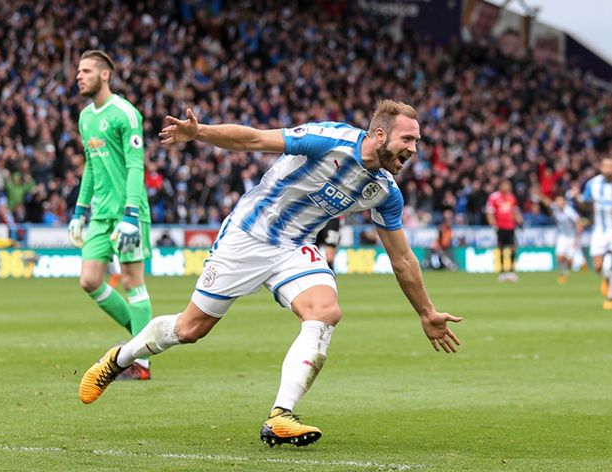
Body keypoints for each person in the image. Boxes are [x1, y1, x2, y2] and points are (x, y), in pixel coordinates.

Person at [78, 100, 462, 447]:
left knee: (325, 312)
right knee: (190, 330)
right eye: (408, 139)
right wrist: (199, 132)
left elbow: (403, 259)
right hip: (247, 235)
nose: (414, 149)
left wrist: (427, 313)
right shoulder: (328, 139)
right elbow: (253, 140)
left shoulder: (384, 191)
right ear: (379, 134)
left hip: (294, 248)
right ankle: (119, 359)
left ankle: (281, 415)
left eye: (417, 141)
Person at [68, 50, 154, 379]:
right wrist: (79, 210)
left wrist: (132, 214)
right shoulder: (85, 117)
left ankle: (141, 362)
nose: (79, 76)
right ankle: (142, 339)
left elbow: (136, 166)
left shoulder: (125, 114)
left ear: (105, 75)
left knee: (133, 283)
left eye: (86, 70)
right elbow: (91, 167)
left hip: (127, 213)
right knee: (89, 280)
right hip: (100, 216)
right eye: (79, 70)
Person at [573, 157, 612, 309]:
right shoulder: (593, 184)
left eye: (611, 166)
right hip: (599, 231)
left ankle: (610, 297)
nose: (608, 169)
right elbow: (586, 204)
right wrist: (577, 198)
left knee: (610, 266)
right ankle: (607, 279)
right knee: (598, 267)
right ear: (601, 167)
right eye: (606, 166)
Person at [536, 192, 581, 284]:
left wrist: (577, 238)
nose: (559, 203)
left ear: (564, 202)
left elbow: (579, 223)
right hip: (562, 236)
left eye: (561, 201)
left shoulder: (569, 212)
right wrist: (539, 195)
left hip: (571, 237)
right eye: (557, 201)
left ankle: (567, 272)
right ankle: (563, 273)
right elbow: (547, 202)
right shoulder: (555, 208)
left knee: (569, 259)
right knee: (559, 257)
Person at [486, 180, 522, 282]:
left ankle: (510, 271)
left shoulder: (511, 197)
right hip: (500, 226)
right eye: (506, 185)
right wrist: (493, 224)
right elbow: (490, 212)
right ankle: (502, 272)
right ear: (501, 186)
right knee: (501, 248)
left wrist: (519, 221)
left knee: (512, 248)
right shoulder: (494, 197)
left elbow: (515, 211)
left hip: (510, 226)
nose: (508, 187)